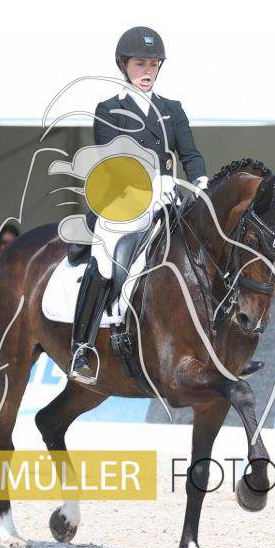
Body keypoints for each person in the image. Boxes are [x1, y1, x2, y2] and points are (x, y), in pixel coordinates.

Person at [68, 26, 208, 383]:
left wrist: (200, 182)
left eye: (153, 64)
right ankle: (82, 347)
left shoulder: (172, 109)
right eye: (140, 64)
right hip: (125, 202)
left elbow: (190, 155)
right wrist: (149, 187)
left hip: (169, 200)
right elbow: (113, 163)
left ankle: (217, 344)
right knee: (104, 259)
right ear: (124, 65)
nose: (147, 71)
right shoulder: (109, 110)